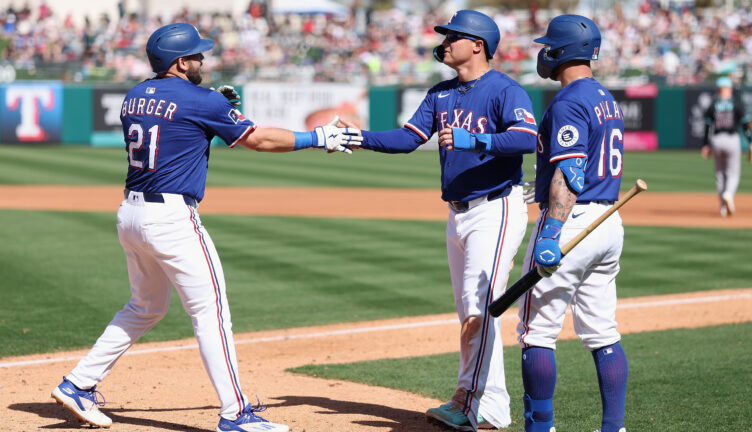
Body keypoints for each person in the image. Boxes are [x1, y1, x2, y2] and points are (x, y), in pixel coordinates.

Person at [50, 22, 361, 431]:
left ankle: (78, 383)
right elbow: (259, 140)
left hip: (131, 214)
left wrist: (216, 109)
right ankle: (236, 414)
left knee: (145, 306)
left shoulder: (134, 95)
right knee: (211, 313)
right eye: (197, 55)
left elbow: (179, 135)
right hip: (172, 219)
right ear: (180, 63)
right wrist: (318, 137)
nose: (203, 60)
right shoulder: (203, 100)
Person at [340, 10, 537, 431]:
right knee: (474, 310)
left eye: (453, 36)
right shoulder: (441, 93)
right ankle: (494, 405)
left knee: (478, 309)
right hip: (458, 214)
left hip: (496, 209)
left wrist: (477, 139)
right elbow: (407, 138)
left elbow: (525, 139)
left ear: (477, 44)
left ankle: (469, 402)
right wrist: (361, 137)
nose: (444, 42)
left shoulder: (505, 90)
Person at [516, 15, 628, 432]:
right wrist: (544, 184)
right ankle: (612, 427)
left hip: (572, 222)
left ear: (561, 51)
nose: (544, 52)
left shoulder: (567, 100)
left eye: (548, 46)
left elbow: (570, 173)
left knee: (538, 334)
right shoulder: (605, 97)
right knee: (602, 331)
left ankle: (539, 428)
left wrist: (550, 231)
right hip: (608, 220)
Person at [701, 76, 752, 217]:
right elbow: (745, 126)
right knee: (733, 173)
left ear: (718, 90)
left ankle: (723, 208)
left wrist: (706, 145)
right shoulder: (737, 104)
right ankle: (728, 194)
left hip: (717, 140)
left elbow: (707, 127)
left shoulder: (712, 106)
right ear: (729, 89)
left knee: (720, 175)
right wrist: (751, 142)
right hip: (732, 139)